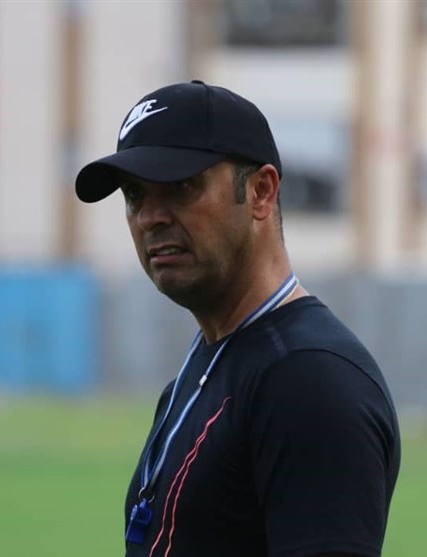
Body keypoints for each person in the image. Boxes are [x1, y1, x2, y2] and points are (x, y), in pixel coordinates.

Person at [75, 80, 401, 557]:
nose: (149, 217)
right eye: (135, 194)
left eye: (181, 186)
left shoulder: (310, 380)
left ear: (261, 192)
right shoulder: (214, 359)